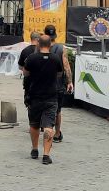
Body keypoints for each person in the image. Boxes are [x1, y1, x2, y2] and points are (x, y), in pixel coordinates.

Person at [22, 35, 62, 164]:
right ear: (50, 44)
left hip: (34, 96)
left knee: (34, 124)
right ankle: (46, 155)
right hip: (51, 96)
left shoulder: (31, 58)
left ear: (38, 44)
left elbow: (25, 73)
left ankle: (34, 149)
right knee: (48, 126)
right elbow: (59, 74)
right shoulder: (56, 59)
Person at [44, 24, 74, 143]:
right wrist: (70, 82)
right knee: (57, 110)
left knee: (45, 107)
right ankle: (56, 133)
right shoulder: (61, 49)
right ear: (55, 35)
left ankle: (46, 129)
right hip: (57, 84)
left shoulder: (40, 47)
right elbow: (66, 66)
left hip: (43, 84)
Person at [19, 31, 41, 108]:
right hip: (40, 81)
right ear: (38, 39)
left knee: (29, 103)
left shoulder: (25, 51)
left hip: (28, 81)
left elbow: (20, 67)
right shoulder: (42, 51)